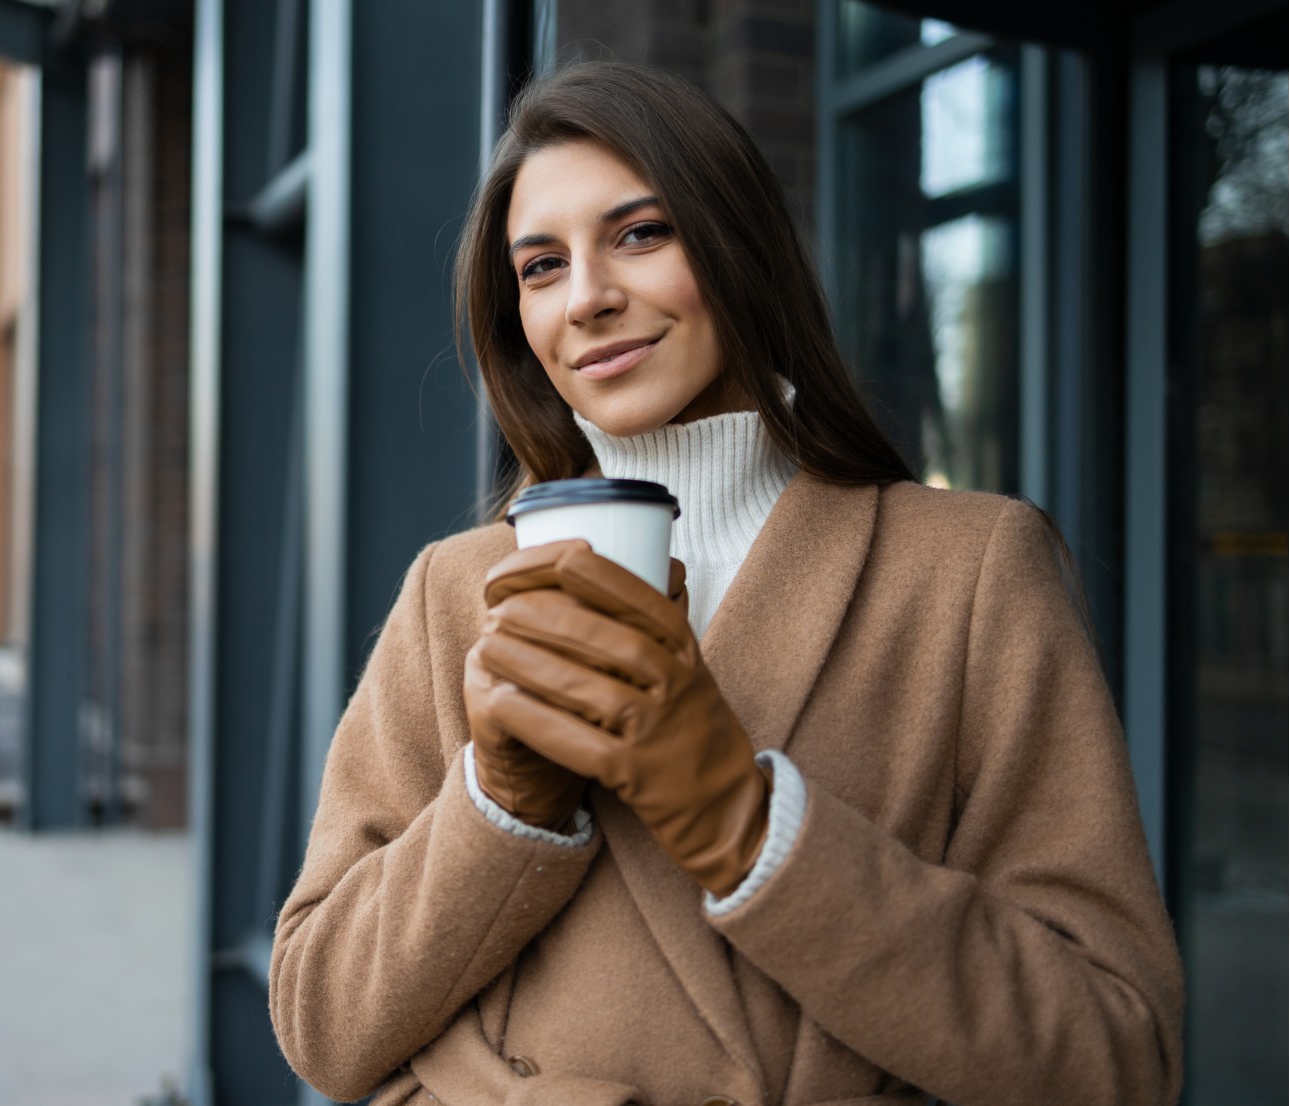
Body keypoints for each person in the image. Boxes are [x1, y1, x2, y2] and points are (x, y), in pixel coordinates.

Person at [269, 61, 1183, 1106]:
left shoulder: (966, 572)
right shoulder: (456, 590)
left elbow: (1117, 1055)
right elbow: (320, 1025)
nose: (588, 298)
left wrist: (743, 822)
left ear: (738, 245)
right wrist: (498, 806)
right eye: (538, 266)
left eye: (640, 233)